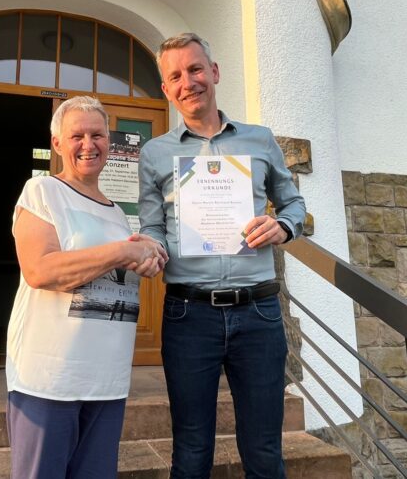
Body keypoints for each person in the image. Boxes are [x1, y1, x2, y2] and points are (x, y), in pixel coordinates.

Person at [138, 33, 306, 478]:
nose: (187, 81)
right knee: (191, 451)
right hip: (188, 316)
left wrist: (283, 226)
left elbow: (293, 204)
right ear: (166, 90)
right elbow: (153, 226)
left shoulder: (260, 140)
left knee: (265, 451)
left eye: (195, 69)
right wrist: (153, 249)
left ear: (213, 73)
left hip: (259, 314)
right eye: (175, 76)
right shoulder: (155, 153)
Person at [6, 96, 167, 479]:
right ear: (58, 143)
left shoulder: (116, 212)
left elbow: (114, 269)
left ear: (109, 142)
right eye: (76, 135)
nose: (88, 144)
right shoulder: (42, 192)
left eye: (97, 135)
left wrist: (148, 257)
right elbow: (40, 270)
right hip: (50, 378)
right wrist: (119, 251)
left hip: (107, 378)